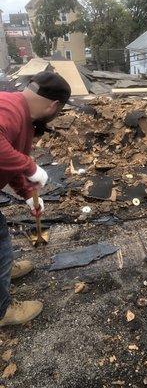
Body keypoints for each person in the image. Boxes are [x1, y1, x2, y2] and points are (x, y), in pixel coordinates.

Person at [0, 71, 71, 326]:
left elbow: (7, 162)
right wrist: (30, 166)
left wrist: (28, 194)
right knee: (0, 242)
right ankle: (2, 311)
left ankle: (4, 269)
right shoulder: (8, 107)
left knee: (1, 240)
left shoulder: (20, 114)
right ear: (53, 106)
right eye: (59, 111)